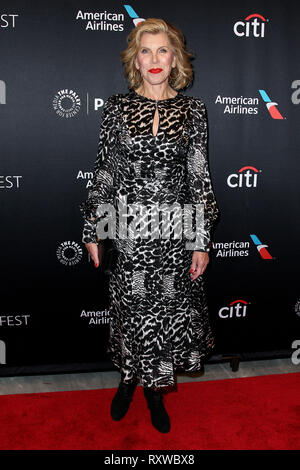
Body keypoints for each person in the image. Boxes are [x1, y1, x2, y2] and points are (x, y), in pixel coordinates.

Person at [79, 18, 219, 434]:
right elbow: (105, 172)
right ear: (135, 60)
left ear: (175, 57)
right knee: (130, 312)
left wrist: (201, 240)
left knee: (163, 315)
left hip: (175, 233)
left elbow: (199, 177)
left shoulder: (194, 110)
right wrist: (95, 230)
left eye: (163, 50)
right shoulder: (117, 108)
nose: (154, 59)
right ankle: (127, 379)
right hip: (130, 231)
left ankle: (153, 391)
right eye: (146, 51)